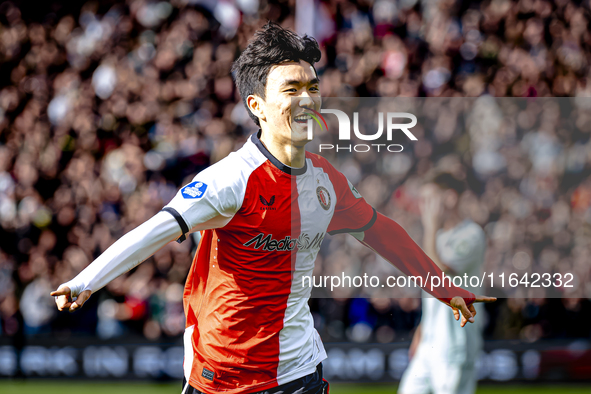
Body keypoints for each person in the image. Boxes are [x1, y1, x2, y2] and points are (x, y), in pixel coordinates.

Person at [51, 22, 494, 394]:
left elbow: (380, 231)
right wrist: (87, 280)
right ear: (257, 106)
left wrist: (441, 284)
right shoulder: (230, 180)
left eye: (312, 87)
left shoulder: (326, 181)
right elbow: (154, 231)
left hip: (298, 370)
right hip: (220, 374)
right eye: (291, 88)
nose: (306, 98)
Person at [399, 173, 487, 394]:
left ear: (450, 198)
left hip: (455, 342)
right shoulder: (437, 238)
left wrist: (430, 228)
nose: (423, 207)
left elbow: (438, 274)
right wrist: (421, 330)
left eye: (429, 199)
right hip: (429, 343)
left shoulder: (471, 234)